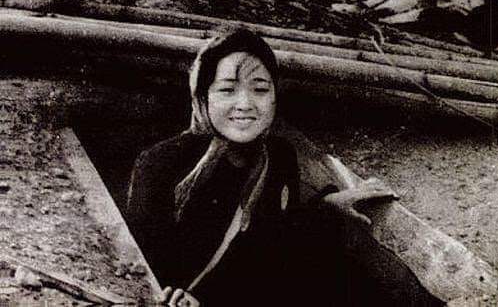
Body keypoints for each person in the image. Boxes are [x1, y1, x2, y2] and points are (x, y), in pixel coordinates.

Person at [127, 28, 394, 307]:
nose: (245, 104)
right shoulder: (160, 164)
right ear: (203, 98)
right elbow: (141, 263)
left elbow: (274, 241)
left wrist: (326, 206)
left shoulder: (278, 156)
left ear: (275, 96)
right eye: (227, 90)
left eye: (260, 89)